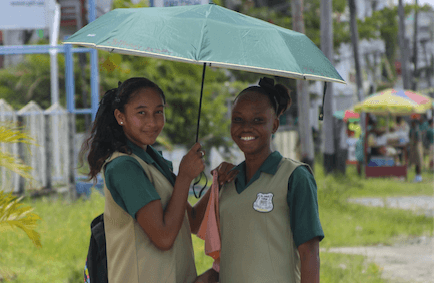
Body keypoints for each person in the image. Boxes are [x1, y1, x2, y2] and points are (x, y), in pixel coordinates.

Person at [197, 77, 324, 283]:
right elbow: (195, 224)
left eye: (258, 120)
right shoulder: (228, 181)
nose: (246, 128)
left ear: (274, 125)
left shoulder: (294, 177)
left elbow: (310, 254)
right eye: (238, 119)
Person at [80, 77, 205, 283]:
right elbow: (163, 237)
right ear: (121, 117)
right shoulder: (124, 167)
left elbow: (191, 220)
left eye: (158, 112)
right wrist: (184, 176)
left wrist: (219, 182)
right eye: (141, 113)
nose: (152, 122)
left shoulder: (151, 159)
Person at [409, 118, 423, 182]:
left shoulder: (416, 130)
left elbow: (418, 140)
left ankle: (418, 177)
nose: (411, 123)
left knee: (418, 163)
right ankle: (417, 176)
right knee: (416, 162)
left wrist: (413, 142)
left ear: (414, 123)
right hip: (414, 148)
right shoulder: (413, 129)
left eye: (412, 122)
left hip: (417, 148)